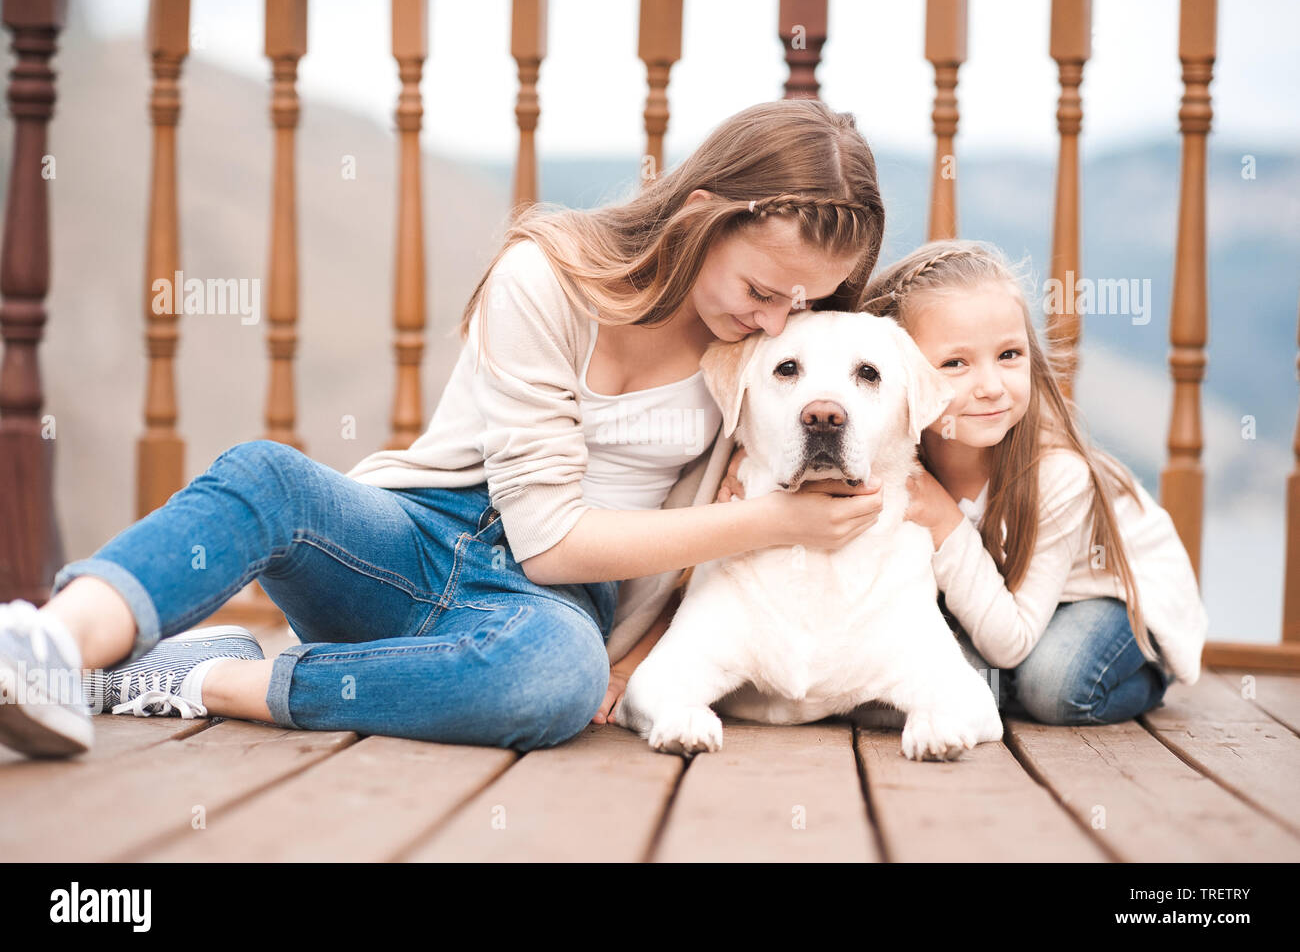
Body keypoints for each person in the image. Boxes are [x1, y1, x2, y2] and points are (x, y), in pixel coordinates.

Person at [0, 99, 888, 759]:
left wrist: (637, 659)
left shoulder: (771, 358)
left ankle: (200, 679)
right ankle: (54, 644)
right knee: (268, 477)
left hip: (552, 613)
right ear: (701, 216)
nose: (781, 321)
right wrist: (772, 523)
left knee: (556, 677)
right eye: (762, 291)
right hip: (417, 536)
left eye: (805, 301)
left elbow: (696, 555)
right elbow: (545, 537)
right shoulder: (548, 276)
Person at [718, 239, 1208, 726]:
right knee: (940, 676)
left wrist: (945, 521)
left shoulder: (1060, 478)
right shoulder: (897, 447)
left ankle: (1145, 675)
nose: (991, 386)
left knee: (1054, 685)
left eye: (1010, 354)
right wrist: (750, 465)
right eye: (955, 363)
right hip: (1000, 603)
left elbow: (1010, 642)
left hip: (1110, 600)